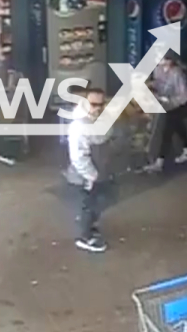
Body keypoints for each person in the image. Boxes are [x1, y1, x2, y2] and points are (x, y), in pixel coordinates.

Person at [67, 88, 112, 253]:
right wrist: (91, 176)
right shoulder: (79, 126)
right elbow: (78, 157)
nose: (98, 108)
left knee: (97, 202)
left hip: (99, 172)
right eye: (93, 104)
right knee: (87, 204)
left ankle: (90, 227)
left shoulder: (98, 120)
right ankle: (85, 237)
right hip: (86, 176)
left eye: (101, 104)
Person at [146, 51, 187, 172]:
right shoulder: (158, 70)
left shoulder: (177, 74)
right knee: (178, 126)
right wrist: (149, 85)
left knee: (166, 130)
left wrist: (170, 102)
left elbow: (184, 96)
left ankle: (159, 161)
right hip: (165, 104)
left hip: (179, 105)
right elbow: (158, 83)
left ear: (169, 60)